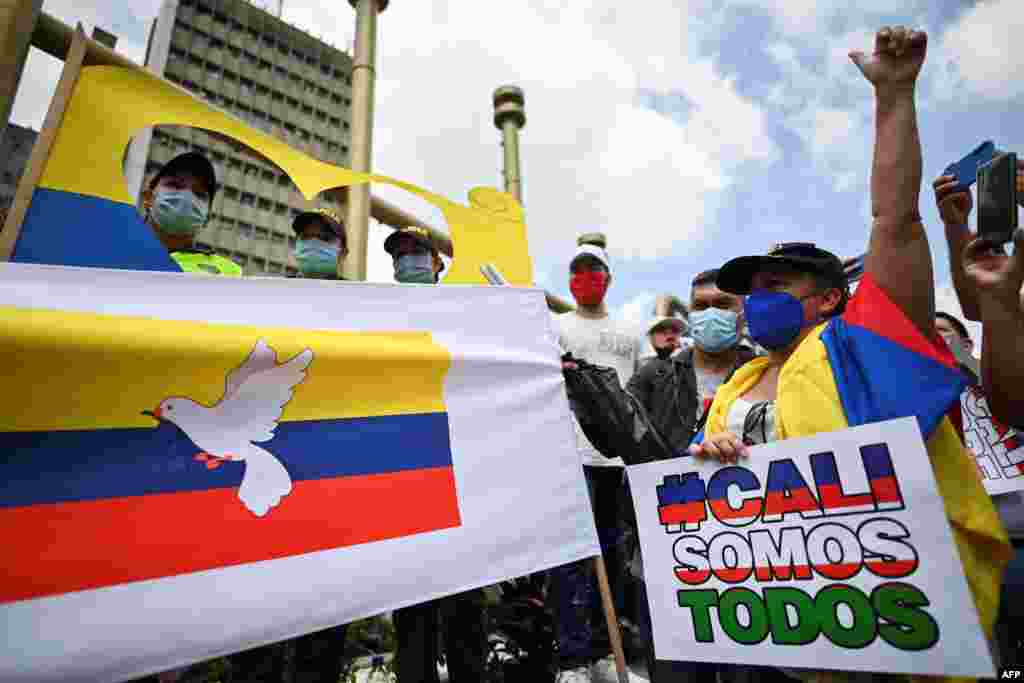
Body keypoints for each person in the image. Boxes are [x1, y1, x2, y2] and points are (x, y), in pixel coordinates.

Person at [689, 26, 1010, 683]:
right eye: (751, 291)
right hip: (788, 633)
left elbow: (896, 222)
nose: (756, 301)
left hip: (904, 630)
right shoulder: (737, 384)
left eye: (776, 287)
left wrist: (894, 96)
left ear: (831, 298)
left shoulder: (862, 345)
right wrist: (709, 453)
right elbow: (704, 485)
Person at [385, 226, 488, 683]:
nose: (407, 260)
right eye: (400, 254)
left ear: (438, 262)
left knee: (465, 604)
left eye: (417, 252)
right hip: (402, 475)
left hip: (461, 472)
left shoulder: (466, 314)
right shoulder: (375, 317)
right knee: (412, 607)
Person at [551, 237, 642, 683]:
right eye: (578, 270)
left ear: (608, 278)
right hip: (572, 458)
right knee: (571, 561)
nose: (585, 277)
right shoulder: (555, 328)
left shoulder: (630, 332)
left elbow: (638, 392)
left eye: (594, 269)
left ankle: (607, 653)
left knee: (614, 557)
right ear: (570, 280)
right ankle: (573, 661)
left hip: (619, 463)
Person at [141, 151, 241, 277]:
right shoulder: (117, 249)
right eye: (175, 185)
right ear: (148, 198)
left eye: (199, 194)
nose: (186, 196)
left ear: (207, 218)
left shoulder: (228, 274)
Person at [291, 208, 348, 279]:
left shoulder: (354, 287)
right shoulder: (280, 284)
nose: (313, 243)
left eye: (325, 238)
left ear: (343, 253)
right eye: (305, 236)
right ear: (295, 245)